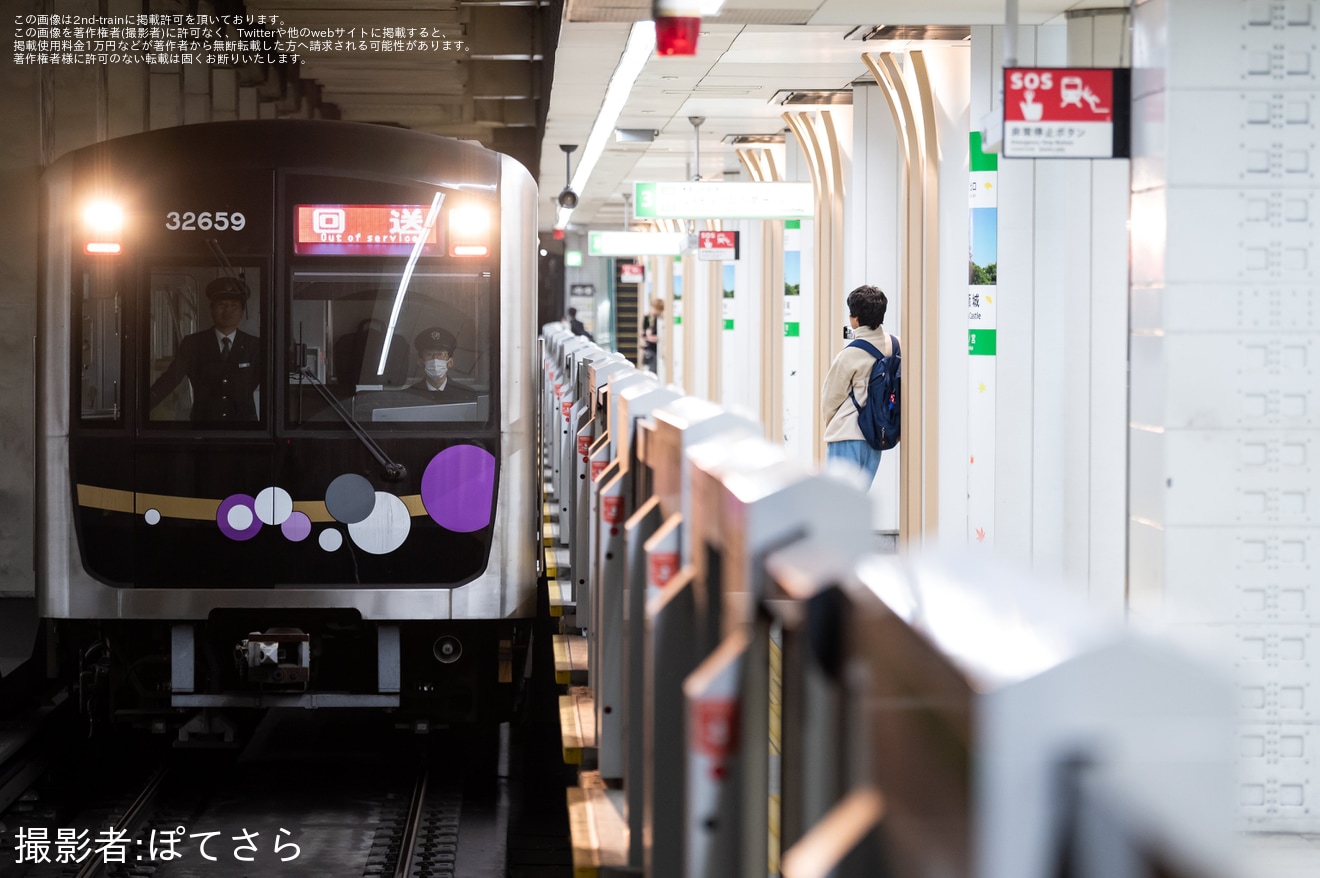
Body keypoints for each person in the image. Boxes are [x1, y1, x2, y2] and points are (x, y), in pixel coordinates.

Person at [149, 276, 262, 422]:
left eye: (234, 305)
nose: (227, 311)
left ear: (242, 312)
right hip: (204, 427)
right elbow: (170, 379)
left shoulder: (254, 345)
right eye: (221, 304)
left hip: (244, 428)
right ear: (211, 309)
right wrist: (141, 408)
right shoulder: (193, 344)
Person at [820, 284, 897, 484]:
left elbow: (830, 399)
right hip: (876, 436)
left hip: (847, 434)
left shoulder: (850, 354)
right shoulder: (896, 345)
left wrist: (833, 425)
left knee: (838, 503)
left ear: (855, 318)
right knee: (857, 502)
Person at [407, 326, 477, 400]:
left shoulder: (468, 396)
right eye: (429, 354)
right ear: (420, 362)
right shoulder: (408, 396)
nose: (435, 359)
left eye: (440, 354)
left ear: (450, 362)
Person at [641, 298, 663, 373]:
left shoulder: (659, 320)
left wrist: (648, 336)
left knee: (652, 372)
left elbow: (657, 337)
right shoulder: (654, 318)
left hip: (654, 350)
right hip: (651, 349)